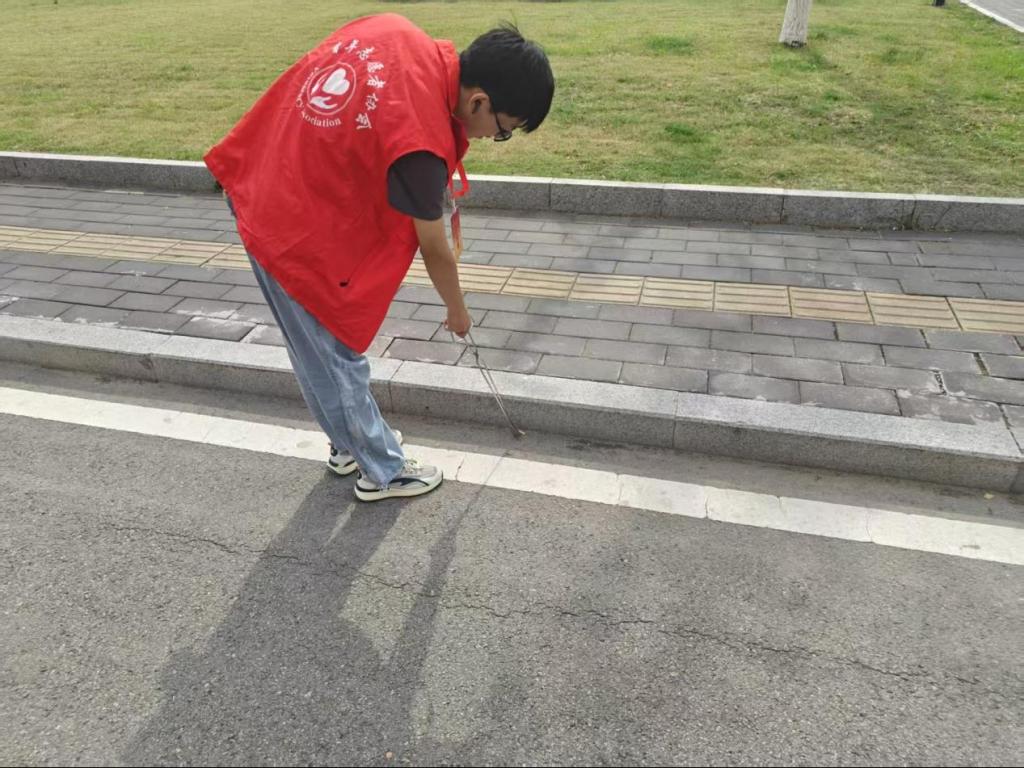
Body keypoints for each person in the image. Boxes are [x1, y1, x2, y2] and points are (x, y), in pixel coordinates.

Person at [205, 13, 554, 501]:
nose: (491, 140)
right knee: (334, 352)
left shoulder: (396, 32)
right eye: (503, 131)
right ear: (479, 101)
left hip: (265, 172)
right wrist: (457, 311)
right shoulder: (421, 139)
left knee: (314, 349)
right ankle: (383, 470)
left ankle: (347, 442)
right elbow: (434, 247)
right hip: (285, 217)